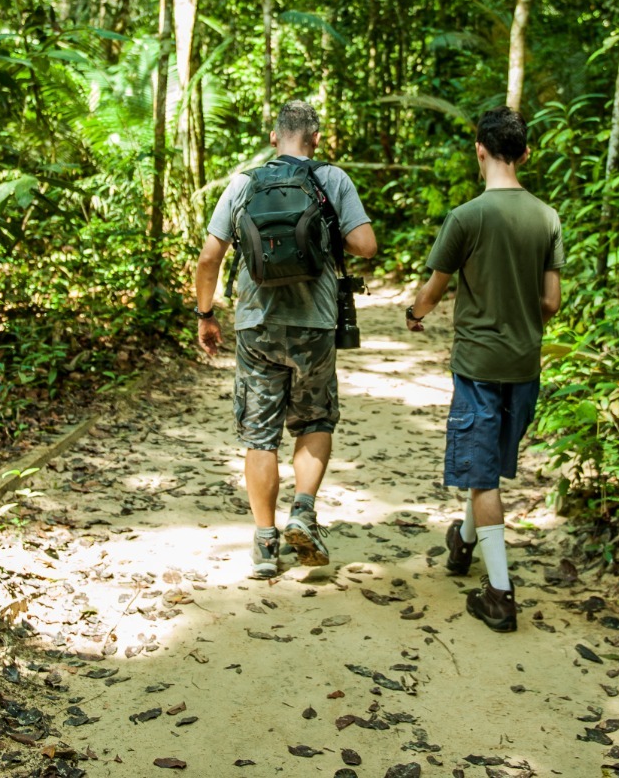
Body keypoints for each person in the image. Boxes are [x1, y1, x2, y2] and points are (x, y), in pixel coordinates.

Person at [195, 100, 377, 579]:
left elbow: (209, 258)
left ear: (274, 138)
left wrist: (206, 314)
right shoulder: (331, 179)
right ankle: (302, 511)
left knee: (260, 434)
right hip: (314, 325)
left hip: (257, 324)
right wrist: (332, 228)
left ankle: (264, 544)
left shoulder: (243, 183)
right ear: (314, 139)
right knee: (316, 417)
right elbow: (366, 246)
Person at [405, 106, 563, 631]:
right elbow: (551, 302)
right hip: (523, 363)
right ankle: (463, 542)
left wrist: (414, 315)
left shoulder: (466, 217)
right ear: (526, 153)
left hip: (477, 364)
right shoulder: (547, 217)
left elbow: (433, 291)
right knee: (489, 467)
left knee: (480, 475)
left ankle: (499, 593)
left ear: (480, 150)